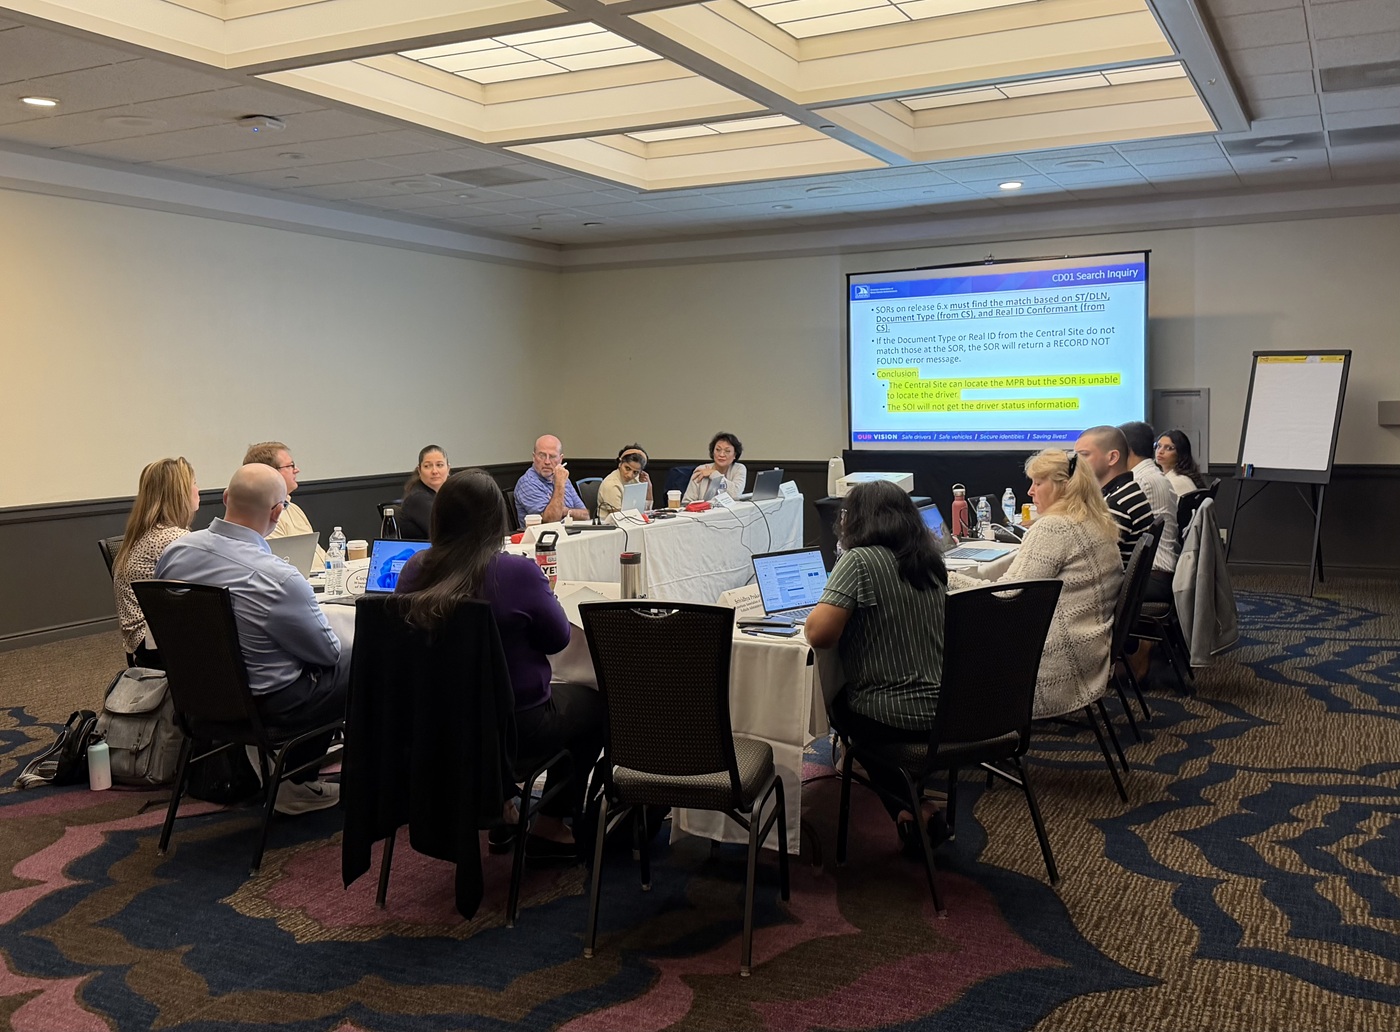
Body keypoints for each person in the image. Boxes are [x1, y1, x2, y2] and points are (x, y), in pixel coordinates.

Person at [397, 469, 603, 860]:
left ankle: (503, 804)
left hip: (435, 726)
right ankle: (550, 823)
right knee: (597, 705)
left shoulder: (414, 569)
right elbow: (558, 639)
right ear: (496, 520)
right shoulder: (516, 572)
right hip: (516, 726)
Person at [156, 463, 346, 815]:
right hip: (266, 707)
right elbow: (327, 654)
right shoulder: (278, 578)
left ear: (226, 497)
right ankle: (296, 782)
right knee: (356, 659)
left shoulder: (176, 553)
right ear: (277, 512)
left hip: (197, 700)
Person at [804, 480, 949, 856]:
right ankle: (910, 807)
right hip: (945, 710)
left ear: (855, 520)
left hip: (889, 717)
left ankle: (911, 808)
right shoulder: (930, 563)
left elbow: (819, 634)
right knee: (863, 715)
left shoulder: (859, 561)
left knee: (838, 704)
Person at [948, 449, 1122, 720]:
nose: (1030, 491)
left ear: (1063, 486)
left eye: (1038, 483)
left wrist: (945, 576)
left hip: (1052, 660)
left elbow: (1005, 593)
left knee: (955, 623)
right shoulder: (1097, 520)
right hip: (1089, 650)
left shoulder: (1054, 527)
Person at [112, 457, 200, 667]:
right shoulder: (172, 538)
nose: (199, 490)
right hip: (155, 639)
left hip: (139, 637)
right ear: (179, 494)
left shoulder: (146, 532)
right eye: (194, 484)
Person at [1075, 425, 1154, 572]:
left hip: (1109, 582)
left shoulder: (1117, 504)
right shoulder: (1127, 491)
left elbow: (1091, 562)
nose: (1077, 463)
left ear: (1112, 458)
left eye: (1084, 455)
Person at [244, 442, 326, 570]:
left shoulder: (294, 508)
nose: (296, 470)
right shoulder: (262, 517)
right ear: (271, 472)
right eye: (290, 466)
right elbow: (280, 565)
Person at [1118, 421, 1179, 577]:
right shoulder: (1152, 474)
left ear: (1127, 450)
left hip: (1152, 570)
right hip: (1160, 566)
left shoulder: (1140, 481)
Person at [514, 435, 589, 527]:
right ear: (534, 457)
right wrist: (559, 485)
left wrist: (565, 511)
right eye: (542, 456)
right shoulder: (527, 483)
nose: (547, 462)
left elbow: (586, 515)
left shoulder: (562, 478)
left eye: (552, 456)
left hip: (570, 533)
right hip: (543, 535)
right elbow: (550, 521)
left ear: (560, 459)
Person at [682, 432, 748, 504]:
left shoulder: (739, 468)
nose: (721, 454)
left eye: (727, 451)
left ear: (735, 454)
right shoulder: (702, 470)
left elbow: (735, 494)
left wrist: (714, 474)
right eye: (718, 450)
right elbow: (686, 501)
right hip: (703, 510)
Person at [400, 445, 450, 539]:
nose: (434, 471)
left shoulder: (448, 493)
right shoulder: (418, 498)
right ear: (419, 470)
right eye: (427, 466)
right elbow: (444, 533)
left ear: (448, 468)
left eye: (439, 465)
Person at [595, 444, 652, 521]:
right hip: (610, 524)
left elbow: (648, 509)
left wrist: (649, 487)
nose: (630, 475)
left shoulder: (636, 480)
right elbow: (619, 517)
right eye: (627, 468)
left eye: (635, 472)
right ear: (620, 463)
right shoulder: (611, 484)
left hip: (632, 521)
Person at [1156, 429, 1207, 497]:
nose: (1160, 451)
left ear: (1180, 453)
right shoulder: (1172, 476)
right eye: (1158, 446)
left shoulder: (1177, 481)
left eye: (1169, 448)